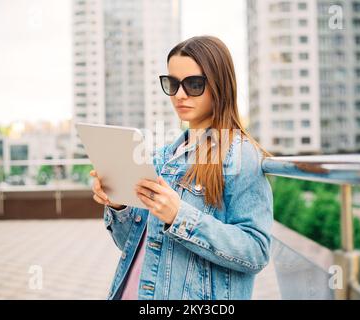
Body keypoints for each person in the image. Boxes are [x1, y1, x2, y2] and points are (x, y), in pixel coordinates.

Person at [90, 35, 274, 300]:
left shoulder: (240, 155)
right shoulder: (163, 157)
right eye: (172, 84)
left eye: (194, 84)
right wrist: (118, 204)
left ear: (219, 85)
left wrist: (180, 216)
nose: (180, 95)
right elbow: (130, 244)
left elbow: (256, 251)